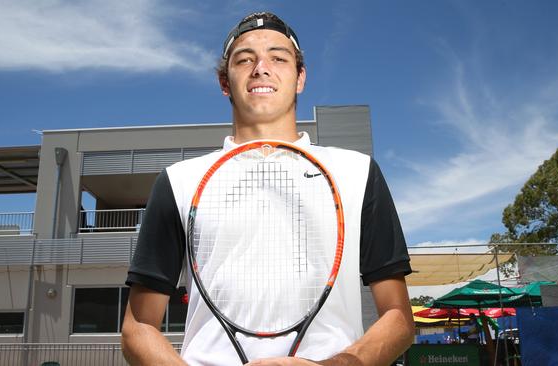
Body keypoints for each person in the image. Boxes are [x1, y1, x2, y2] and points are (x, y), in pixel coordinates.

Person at [121, 11, 415, 365]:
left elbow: (398, 317)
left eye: (278, 58)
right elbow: (138, 326)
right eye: (245, 59)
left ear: (300, 77)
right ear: (224, 82)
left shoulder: (358, 172)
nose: (261, 67)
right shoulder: (179, 181)